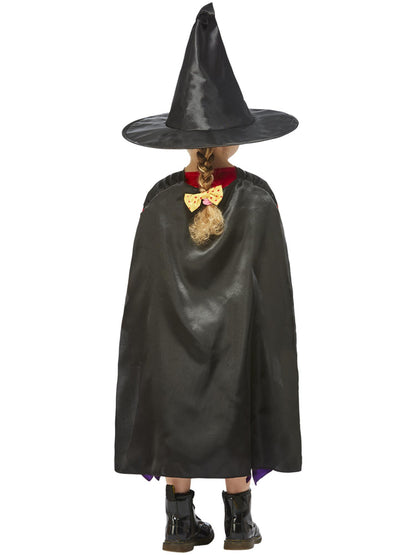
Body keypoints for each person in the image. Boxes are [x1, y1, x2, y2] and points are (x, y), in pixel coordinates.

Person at [115, 3, 302, 551]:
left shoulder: (158, 202)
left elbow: (144, 299)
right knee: (234, 398)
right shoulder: (258, 198)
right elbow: (274, 298)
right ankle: (239, 523)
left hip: (171, 347)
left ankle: (179, 524)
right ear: (234, 139)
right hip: (236, 344)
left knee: (175, 397)